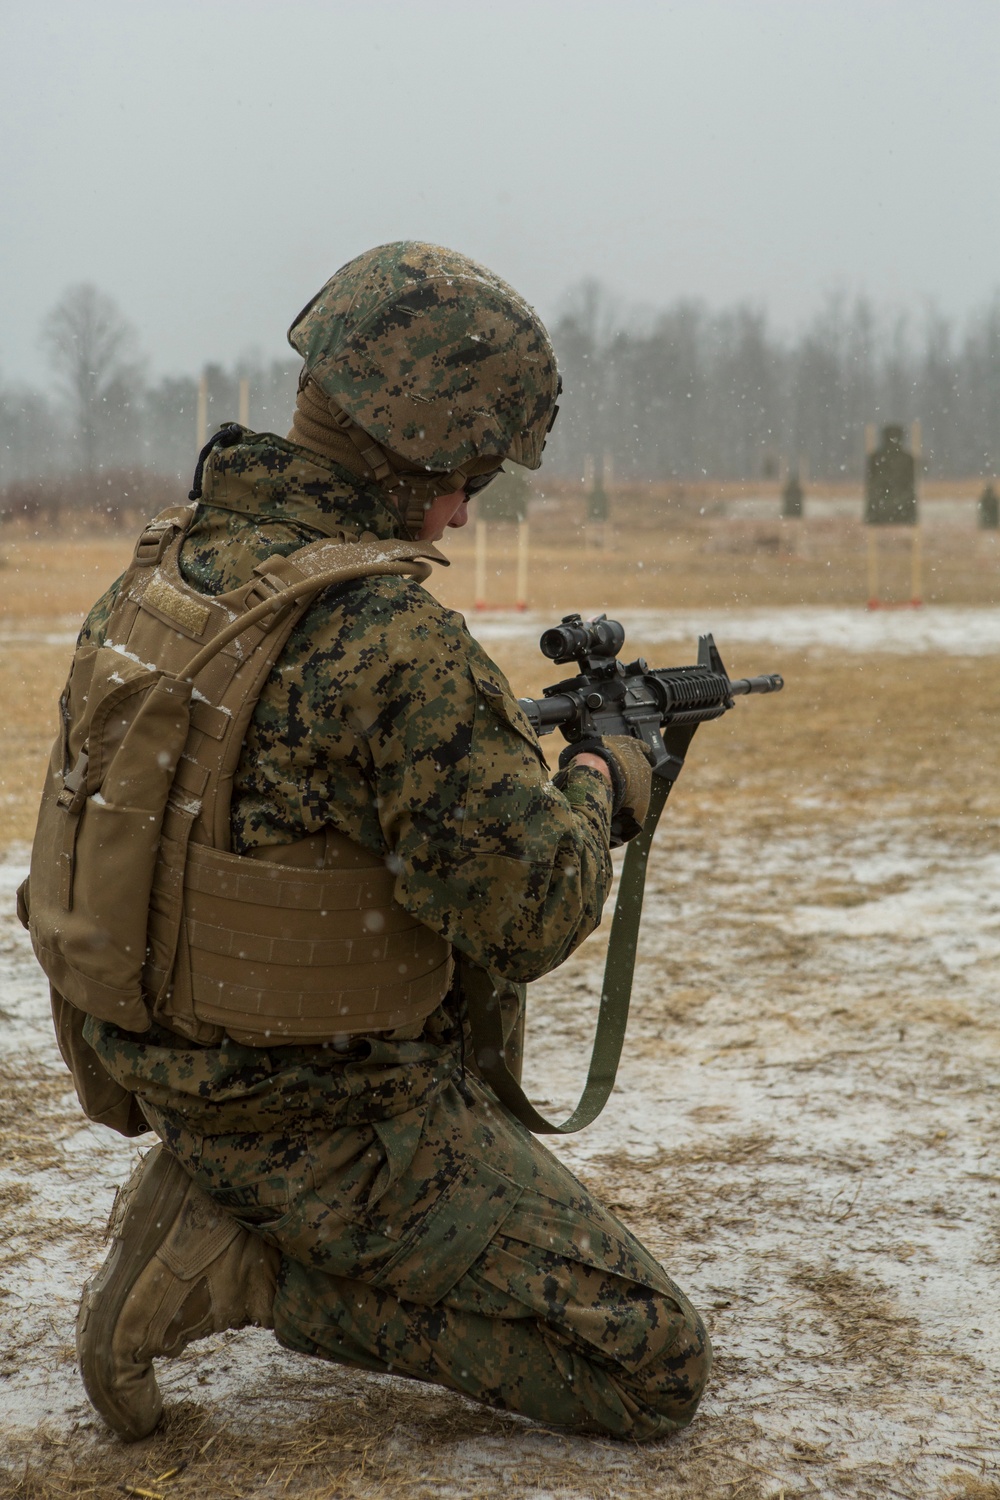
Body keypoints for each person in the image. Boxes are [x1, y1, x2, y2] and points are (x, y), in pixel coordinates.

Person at [37, 243, 710, 1443]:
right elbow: (531, 915)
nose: (462, 511)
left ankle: (225, 1195)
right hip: (322, 1120)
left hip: (158, 1070)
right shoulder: (390, 640)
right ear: (417, 446)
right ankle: (246, 1265)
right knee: (650, 1366)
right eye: (469, 476)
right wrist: (605, 781)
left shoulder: (169, 570)